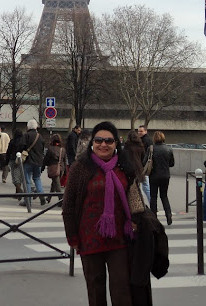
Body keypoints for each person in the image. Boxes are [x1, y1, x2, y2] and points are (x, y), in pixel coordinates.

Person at [62, 121, 136, 306]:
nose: (104, 144)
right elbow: (69, 206)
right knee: (95, 290)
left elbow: (135, 199)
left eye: (109, 141)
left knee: (122, 290)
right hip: (89, 239)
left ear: (116, 143)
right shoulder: (80, 168)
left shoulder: (124, 167)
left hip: (120, 239)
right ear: (92, 143)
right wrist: (72, 237)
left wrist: (137, 223)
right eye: (99, 140)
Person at [149, 131, 174, 225]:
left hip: (154, 175)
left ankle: (153, 217)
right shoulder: (169, 149)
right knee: (164, 196)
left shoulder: (151, 148)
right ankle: (168, 214)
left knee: (153, 197)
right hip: (165, 175)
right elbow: (172, 163)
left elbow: (145, 161)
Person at [21, 120, 46, 206]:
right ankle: (41, 194)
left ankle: (27, 200)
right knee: (37, 178)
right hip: (38, 161)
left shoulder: (26, 135)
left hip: (28, 161)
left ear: (28, 127)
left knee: (27, 181)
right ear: (36, 127)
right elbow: (42, 149)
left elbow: (22, 147)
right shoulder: (40, 136)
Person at [43, 133, 66, 201]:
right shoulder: (63, 149)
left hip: (54, 168)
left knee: (57, 185)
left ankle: (61, 199)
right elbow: (65, 160)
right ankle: (49, 197)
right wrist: (65, 171)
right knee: (54, 183)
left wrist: (44, 166)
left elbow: (46, 159)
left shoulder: (51, 149)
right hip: (61, 168)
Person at [7, 129, 25, 201]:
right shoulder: (24, 141)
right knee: (20, 176)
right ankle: (17, 193)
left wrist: (6, 162)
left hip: (13, 160)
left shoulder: (12, 141)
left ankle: (20, 191)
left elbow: (8, 152)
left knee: (15, 178)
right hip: (22, 160)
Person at [138, 125, 153, 201]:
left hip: (143, 166)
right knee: (145, 186)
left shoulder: (144, 141)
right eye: (138, 131)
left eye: (141, 131)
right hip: (144, 165)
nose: (139, 133)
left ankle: (152, 203)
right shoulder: (148, 140)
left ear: (145, 131)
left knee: (145, 186)